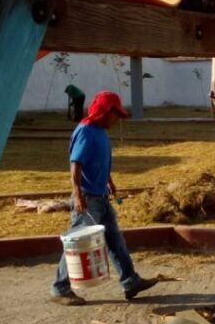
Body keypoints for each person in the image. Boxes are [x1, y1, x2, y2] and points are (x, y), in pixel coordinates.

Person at [50, 90, 158, 304]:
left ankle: (130, 281)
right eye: (114, 114)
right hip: (88, 198)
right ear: (104, 111)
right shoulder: (86, 131)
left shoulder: (100, 132)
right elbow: (76, 164)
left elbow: (100, 162)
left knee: (115, 239)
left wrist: (110, 183)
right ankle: (60, 288)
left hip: (101, 196)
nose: (116, 119)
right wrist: (78, 195)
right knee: (77, 242)